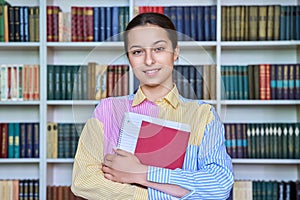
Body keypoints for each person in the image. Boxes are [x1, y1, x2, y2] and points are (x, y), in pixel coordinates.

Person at [71, 12, 234, 199]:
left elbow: (219, 185)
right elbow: (83, 181)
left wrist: (141, 173)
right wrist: (165, 193)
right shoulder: (107, 110)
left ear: (176, 52)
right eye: (137, 52)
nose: (149, 61)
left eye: (159, 49)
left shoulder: (203, 115)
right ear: (129, 58)